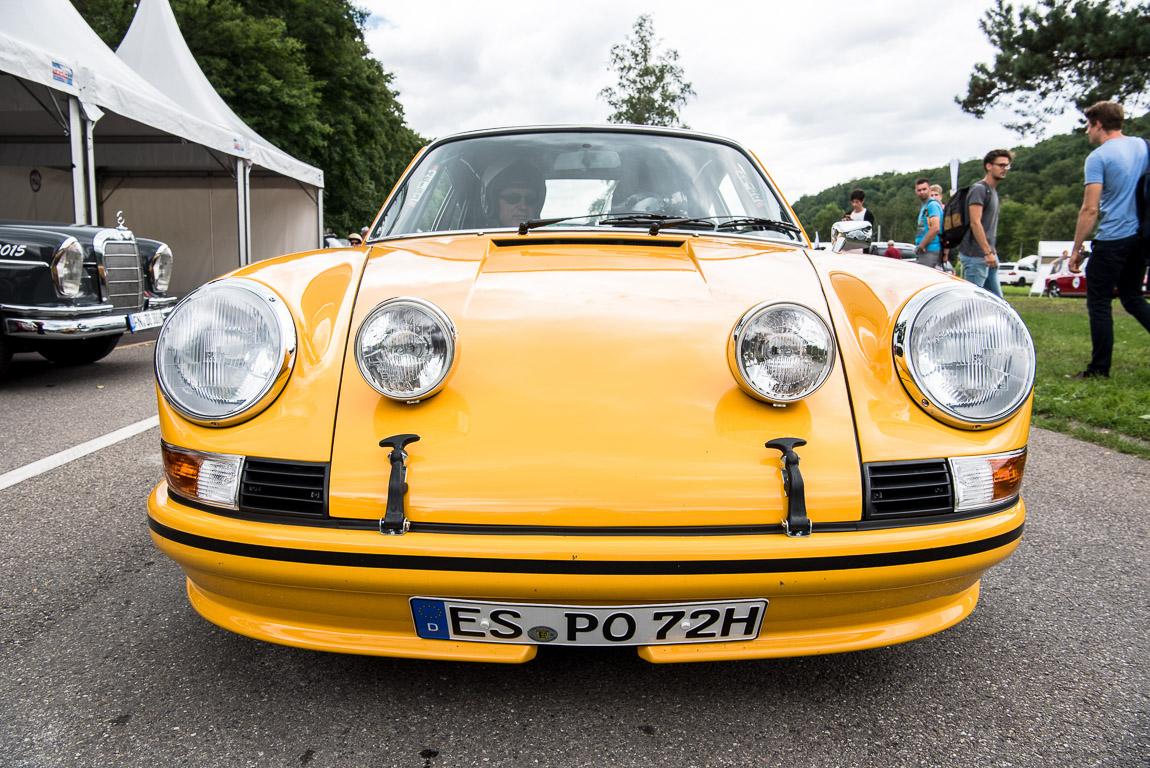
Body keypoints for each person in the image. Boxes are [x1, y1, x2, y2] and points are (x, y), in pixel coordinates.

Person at [1066, 101, 1150, 379]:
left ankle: (1099, 369)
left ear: (1098, 124)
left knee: (1099, 302)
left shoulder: (1098, 157)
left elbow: (1089, 209)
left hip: (1113, 236)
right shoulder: (1144, 146)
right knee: (1132, 297)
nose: (1087, 132)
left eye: (1088, 126)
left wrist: (1076, 249)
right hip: (1141, 237)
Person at [957, 150, 1012, 297]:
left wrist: (991, 250)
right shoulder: (979, 189)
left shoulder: (992, 191)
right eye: (1001, 165)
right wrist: (987, 252)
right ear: (988, 166)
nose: (1005, 168)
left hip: (988, 254)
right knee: (971, 302)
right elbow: (975, 223)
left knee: (997, 302)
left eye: (1007, 166)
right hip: (976, 255)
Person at [482, 159, 546, 228]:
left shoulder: (553, 237)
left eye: (530, 200)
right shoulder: (474, 238)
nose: (523, 207)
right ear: (492, 203)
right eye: (512, 198)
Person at [913, 178, 943, 268]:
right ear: (916, 191)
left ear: (929, 189)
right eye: (919, 190)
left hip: (930, 249)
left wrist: (922, 245)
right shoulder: (925, 206)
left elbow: (935, 227)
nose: (922, 192)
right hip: (925, 249)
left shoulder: (932, 205)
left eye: (924, 189)